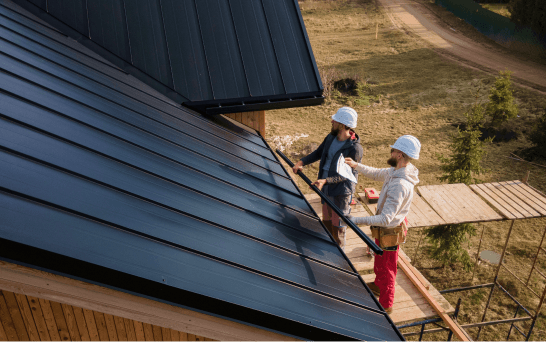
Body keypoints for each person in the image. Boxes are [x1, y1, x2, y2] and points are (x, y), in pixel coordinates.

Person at [345, 135, 421, 314]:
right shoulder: (397, 170)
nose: (391, 152)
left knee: (388, 270)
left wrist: (355, 221)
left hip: (389, 231)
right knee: (380, 260)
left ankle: (386, 306)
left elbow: (386, 219)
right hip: (385, 230)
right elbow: (377, 173)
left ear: (400, 155)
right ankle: (378, 286)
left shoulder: (400, 184)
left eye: (393, 150)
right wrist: (357, 166)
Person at [292, 107, 363, 250]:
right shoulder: (331, 137)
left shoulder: (354, 149)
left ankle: (340, 259)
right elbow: (319, 153)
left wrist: (326, 181)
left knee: (338, 227)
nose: (332, 121)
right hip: (325, 187)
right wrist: (302, 162)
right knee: (327, 223)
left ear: (342, 125)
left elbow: (346, 175)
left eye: (335, 120)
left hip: (341, 192)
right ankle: (327, 253)